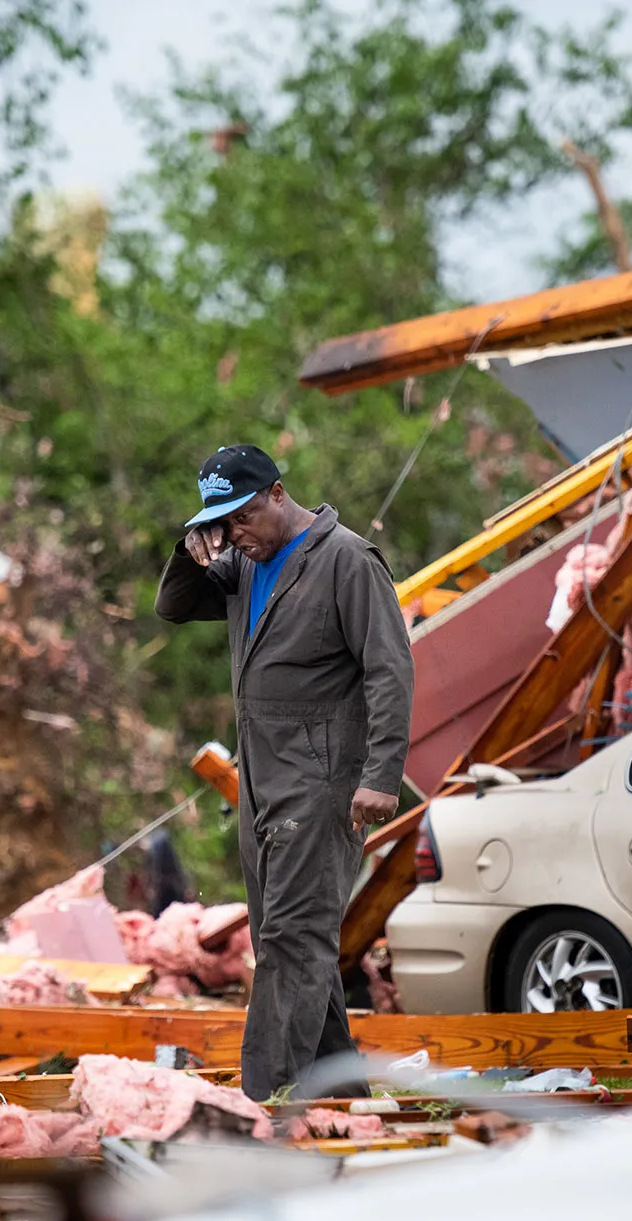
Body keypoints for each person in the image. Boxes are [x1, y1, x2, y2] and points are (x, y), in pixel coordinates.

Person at [156, 444, 414, 1100]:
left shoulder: (345, 561)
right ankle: (342, 1090)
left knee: (290, 944)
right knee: (292, 938)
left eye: (241, 516)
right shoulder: (244, 563)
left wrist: (381, 773)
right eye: (223, 523)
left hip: (322, 783)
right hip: (261, 784)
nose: (235, 533)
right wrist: (193, 547)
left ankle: (264, 1102)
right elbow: (174, 607)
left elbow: (391, 668)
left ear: (276, 493)